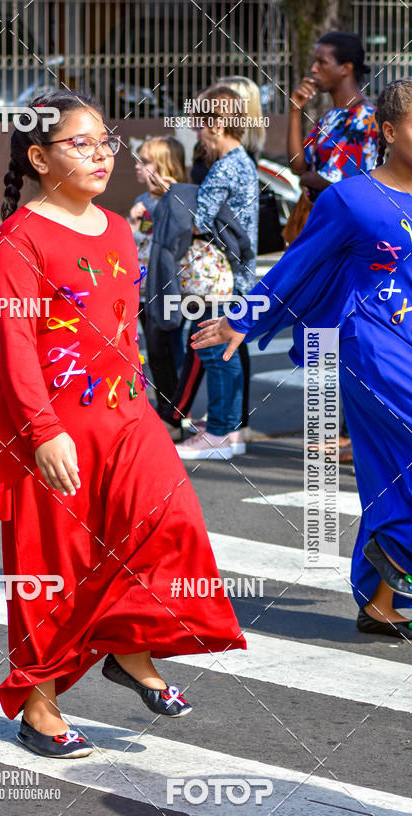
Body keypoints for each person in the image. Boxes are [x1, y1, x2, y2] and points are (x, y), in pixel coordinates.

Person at [0, 89, 246, 759]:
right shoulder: (19, 238)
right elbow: (16, 345)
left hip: (126, 414)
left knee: (169, 521)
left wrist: (151, 398)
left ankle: (128, 643)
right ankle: (39, 707)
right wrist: (40, 430)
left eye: (104, 142)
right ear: (38, 156)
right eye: (80, 143)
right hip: (53, 429)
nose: (99, 154)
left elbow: (124, 334)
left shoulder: (118, 227)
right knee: (49, 570)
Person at [192, 79, 412, 637]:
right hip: (373, 349)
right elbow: (298, 266)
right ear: (388, 132)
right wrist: (242, 318)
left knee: (391, 474)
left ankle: (381, 600)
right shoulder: (351, 198)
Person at [288, 32, 378, 463]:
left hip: (353, 240)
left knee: (352, 329)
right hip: (322, 234)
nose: (314, 69)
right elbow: (299, 167)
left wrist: (314, 182)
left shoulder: (368, 118)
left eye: (322, 61)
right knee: (324, 326)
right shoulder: (329, 119)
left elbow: (358, 183)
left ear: (346, 68)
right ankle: (337, 431)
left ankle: (353, 433)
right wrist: (294, 112)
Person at [159, 85, 259, 460]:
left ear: (217, 124)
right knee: (226, 350)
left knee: (218, 353)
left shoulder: (224, 168)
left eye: (201, 124)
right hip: (236, 273)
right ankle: (228, 428)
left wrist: (173, 195)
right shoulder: (242, 161)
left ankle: (219, 433)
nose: (197, 132)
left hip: (219, 274)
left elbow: (200, 222)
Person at [129, 137, 187, 414]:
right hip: (144, 285)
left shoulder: (178, 196)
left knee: (169, 344)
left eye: (145, 161)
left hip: (168, 285)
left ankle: (177, 407)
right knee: (155, 348)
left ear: (163, 164)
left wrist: (166, 197)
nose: (138, 167)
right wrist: (134, 223)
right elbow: (141, 237)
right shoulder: (142, 200)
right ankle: (169, 404)